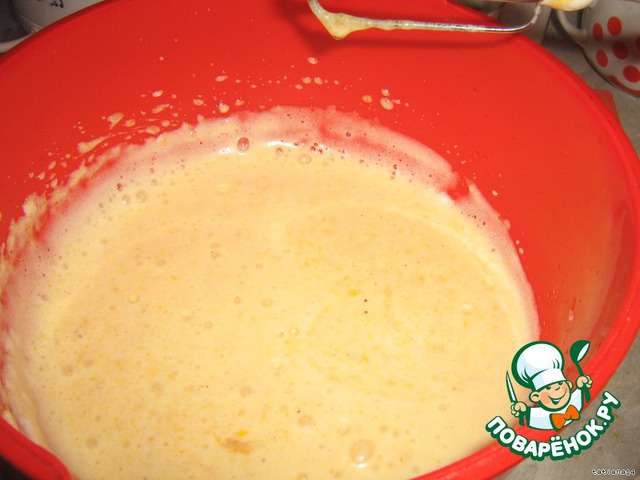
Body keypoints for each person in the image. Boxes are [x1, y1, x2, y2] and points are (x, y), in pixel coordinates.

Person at [510, 341, 592, 431]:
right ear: (535, 396)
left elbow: (585, 392)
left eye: (560, 384)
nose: (556, 390)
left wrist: (582, 385)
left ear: (569, 384)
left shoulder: (575, 399)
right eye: (548, 388)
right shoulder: (539, 417)